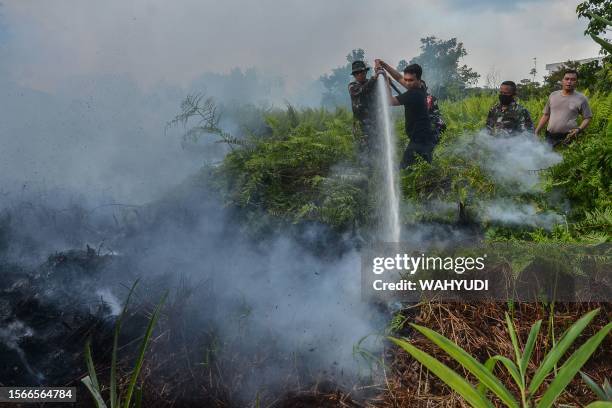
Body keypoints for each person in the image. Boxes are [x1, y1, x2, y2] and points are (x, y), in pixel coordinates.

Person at [376, 60, 435, 168]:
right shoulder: (421, 86)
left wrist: (385, 80)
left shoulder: (414, 94)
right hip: (425, 137)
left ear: (418, 79)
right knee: (424, 168)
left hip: (420, 140)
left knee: (404, 169)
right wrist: (384, 65)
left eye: (411, 80)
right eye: (406, 79)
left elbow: (389, 101)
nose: (407, 83)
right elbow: (399, 78)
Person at [535, 69, 592, 147]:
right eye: (567, 79)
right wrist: (537, 131)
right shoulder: (553, 95)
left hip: (569, 137)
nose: (569, 82)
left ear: (577, 82)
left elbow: (587, 117)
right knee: (547, 158)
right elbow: (546, 115)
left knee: (564, 159)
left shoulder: (581, 98)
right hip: (549, 136)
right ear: (562, 80)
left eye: (573, 79)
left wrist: (579, 129)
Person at [348, 60, 379, 154]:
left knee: (377, 149)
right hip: (361, 126)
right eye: (357, 73)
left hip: (375, 124)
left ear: (365, 72)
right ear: (354, 75)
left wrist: (381, 77)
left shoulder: (373, 82)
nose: (360, 74)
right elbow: (363, 90)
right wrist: (375, 76)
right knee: (363, 154)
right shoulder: (352, 86)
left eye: (361, 72)